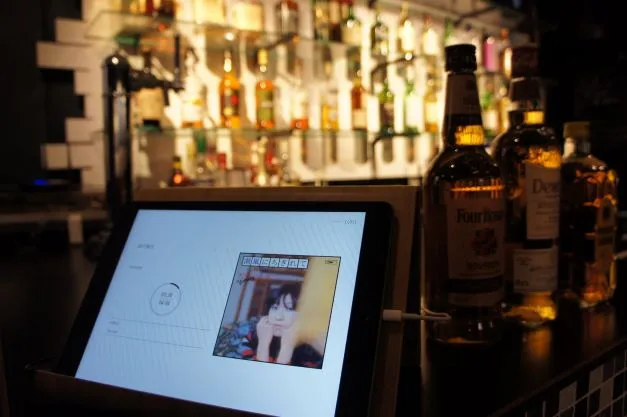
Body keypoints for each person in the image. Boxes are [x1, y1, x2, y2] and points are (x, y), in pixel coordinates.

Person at [243, 284, 323, 368]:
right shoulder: (250, 336)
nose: (278, 317)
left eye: (289, 309)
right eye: (275, 307)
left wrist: (286, 348)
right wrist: (263, 344)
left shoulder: (314, 349)